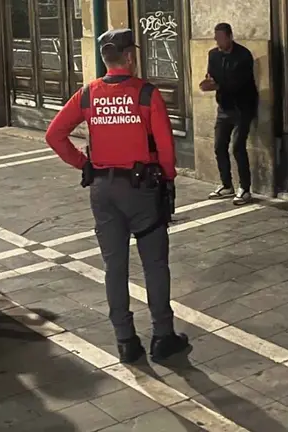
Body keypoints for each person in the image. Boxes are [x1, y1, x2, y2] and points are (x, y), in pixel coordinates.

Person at [45, 29, 190, 364]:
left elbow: (54, 135)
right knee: (154, 264)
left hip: (103, 190)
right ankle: (163, 336)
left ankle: (125, 340)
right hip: (141, 190)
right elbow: (166, 149)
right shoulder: (145, 94)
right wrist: (167, 180)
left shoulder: (88, 94)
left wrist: (84, 164)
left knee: (115, 266)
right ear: (129, 57)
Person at [199, 23, 258, 205]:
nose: (217, 41)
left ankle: (245, 188)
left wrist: (217, 85)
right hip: (224, 106)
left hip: (243, 107)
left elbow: (238, 83)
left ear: (230, 37)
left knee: (238, 146)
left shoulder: (243, 55)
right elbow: (212, 76)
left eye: (221, 38)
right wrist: (209, 83)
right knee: (218, 146)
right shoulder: (213, 54)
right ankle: (227, 185)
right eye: (215, 38)